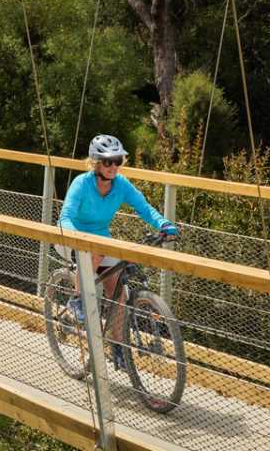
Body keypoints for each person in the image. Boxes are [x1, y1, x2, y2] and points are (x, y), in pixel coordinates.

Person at [57, 134, 179, 369]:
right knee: (93, 254)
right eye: (107, 161)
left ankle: (117, 346)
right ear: (95, 162)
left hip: (101, 242)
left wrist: (164, 224)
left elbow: (144, 208)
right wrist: (79, 237)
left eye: (117, 161)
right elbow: (65, 218)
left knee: (119, 293)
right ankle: (77, 299)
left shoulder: (121, 185)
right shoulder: (81, 184)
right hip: (69, 237)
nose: (113, 166)